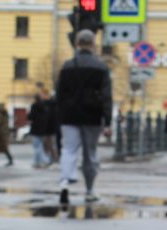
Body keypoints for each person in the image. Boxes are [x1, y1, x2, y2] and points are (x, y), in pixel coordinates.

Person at [55, 29, 113, 206]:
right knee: (90, 153)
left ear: (77, 44)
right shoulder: (101, 68)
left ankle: (65, 183)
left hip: (69, 115)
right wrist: (108, 121)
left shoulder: (67, 66)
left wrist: (60, 114)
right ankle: (89, 191)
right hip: (92, 115)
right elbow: (106, 96)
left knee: (69, 149)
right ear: (93, 44)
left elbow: (59, 93)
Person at [28, 94, 52, 168]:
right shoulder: (44, 107)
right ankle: (38, 161)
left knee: (37, 146)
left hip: (35, 129)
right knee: (40, 145)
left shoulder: (34, 106)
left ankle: (43, 160)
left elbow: (30, 117)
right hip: (43, 129)